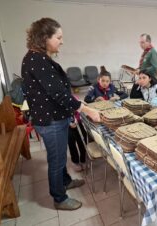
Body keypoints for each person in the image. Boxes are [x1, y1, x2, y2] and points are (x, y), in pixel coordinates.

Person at [21, 18, 100, 211]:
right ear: (44, 38)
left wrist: (72, 110)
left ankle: (64, 181)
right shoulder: (36, 59)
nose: (61, 41)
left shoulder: (38, 57)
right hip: (50, 120)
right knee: (56, 161)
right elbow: (57, 93)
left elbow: (58, 91)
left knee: (59, 157)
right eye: (58, 37)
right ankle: (59, 197)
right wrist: (87, 109)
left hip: (55, 117)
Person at [130, 33, 157, 99]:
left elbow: (155, 67)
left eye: (143, 42)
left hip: (150, 80)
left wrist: (141, 71)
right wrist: (137, 70)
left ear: (149, 42)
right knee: (133, 94)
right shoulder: (146, 52)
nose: (141, 45)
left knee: (136, 93)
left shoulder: (153, 52)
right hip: (143, 77)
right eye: (140, 43)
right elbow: (144, 65)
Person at [68, 107, 87, 172]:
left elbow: (78, 107)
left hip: (77, 122)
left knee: (83, 140)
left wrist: (77, 118)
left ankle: (83, 159)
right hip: (66, 124)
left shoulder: (72, 98)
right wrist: (68, 122)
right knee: (71, 142)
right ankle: (75, 161)